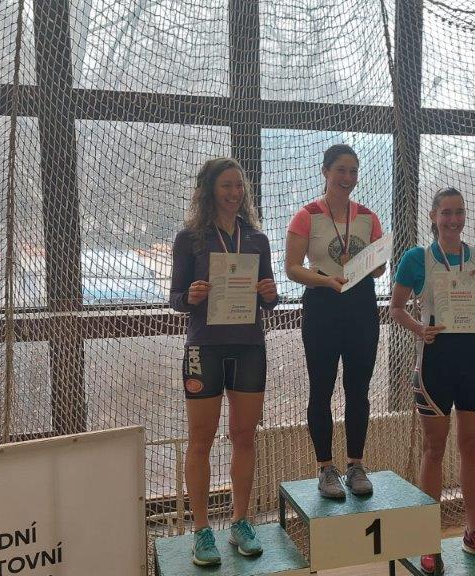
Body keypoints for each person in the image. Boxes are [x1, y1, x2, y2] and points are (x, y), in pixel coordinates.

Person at [388, 187, 475, 573]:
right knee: (434, 449)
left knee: (470, 445)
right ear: (434, 217)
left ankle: (473, 532)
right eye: (446, 213)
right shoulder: (416, 259)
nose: (454, 220)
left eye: (459, 212)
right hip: (435, 361)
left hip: (474, 360)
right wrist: (420, 329)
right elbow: (396, 308)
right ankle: (428, 540)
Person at [170, 158, 278, 566]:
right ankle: (201, 530)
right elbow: (176, 298)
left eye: (239, 186)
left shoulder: (256, 239)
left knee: (244, 437)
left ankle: (240, 521)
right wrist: (191, 296)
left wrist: (270, 293)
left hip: (249, 346)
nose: (234, 193)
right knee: (201, 440)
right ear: (210, 190)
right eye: (226, 186)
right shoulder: (190, 238)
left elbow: (270, 298)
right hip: (205, 348)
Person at [285, 144, 385, 500]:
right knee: (321, 389)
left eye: (353, 171)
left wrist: (372, 262)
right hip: (323, 304)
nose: (347, 177)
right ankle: (326, 468)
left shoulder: (368, 217)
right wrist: (326, 280)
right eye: (341, 170)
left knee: (358, 389)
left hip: (361, 305)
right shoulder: (307, 215)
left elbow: (379, 269)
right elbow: (292, 268)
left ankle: (356, 465)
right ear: (325, 171)